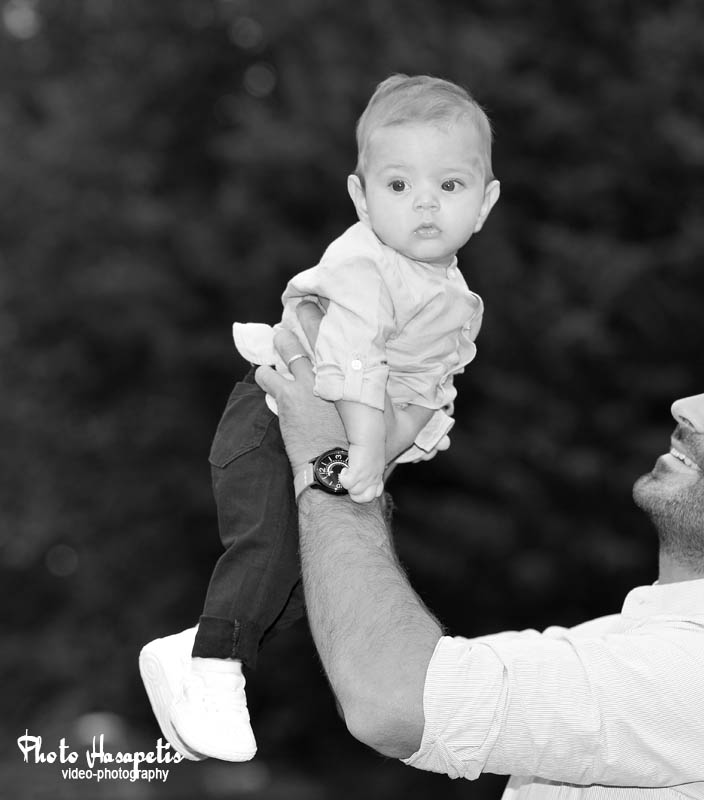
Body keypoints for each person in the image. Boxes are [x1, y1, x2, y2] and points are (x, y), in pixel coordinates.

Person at [251, 307, 704, 799]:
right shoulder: (647, 646)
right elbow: (399, 676)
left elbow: (393, 697)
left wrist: (331, 460)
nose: (687, 406)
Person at [138, 74, 501, 762]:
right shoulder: (365, 261)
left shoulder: (453, 296)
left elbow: (427, 387)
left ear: (483, 203)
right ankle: (214, 666)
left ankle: (200, 645)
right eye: (399, 185)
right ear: (362, 198)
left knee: (318, 577)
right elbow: (353, 355)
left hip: (340, 436)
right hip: (272, 418)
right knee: (270, 545)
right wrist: (365, 447)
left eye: (450, 185)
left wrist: (382, 447)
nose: (425, 202)